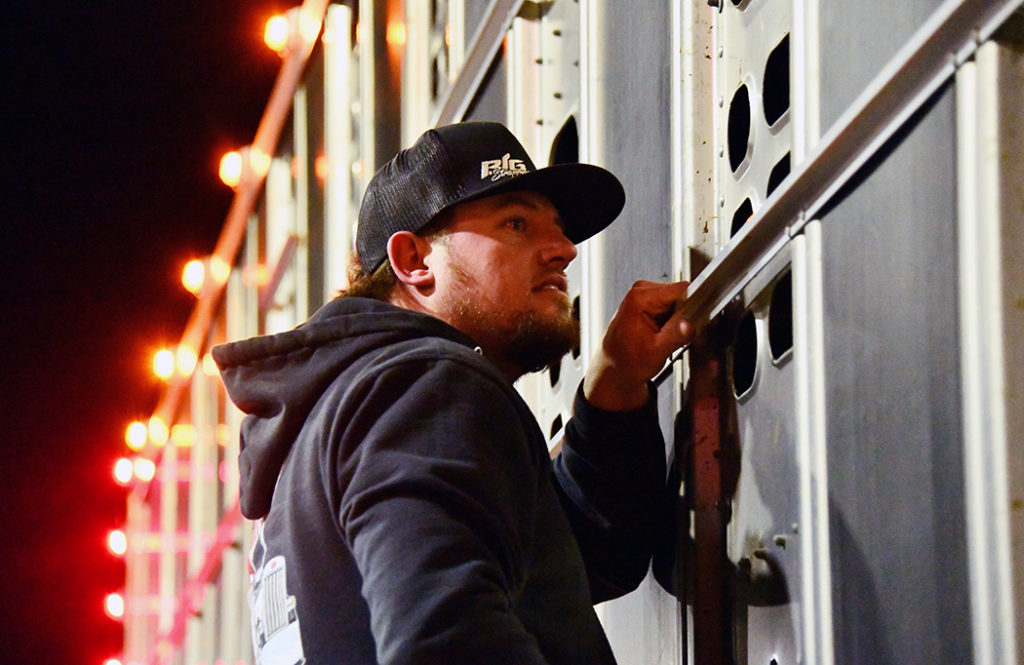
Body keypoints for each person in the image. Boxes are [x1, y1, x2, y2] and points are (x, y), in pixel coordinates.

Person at [213, 121, 692, 665]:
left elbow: (571, 565)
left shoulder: (332, 432)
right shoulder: (422, 385)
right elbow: (445, 641)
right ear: (414, 262)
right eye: (516, 223)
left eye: (559, 230)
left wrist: (615, 386)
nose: (564, 250)